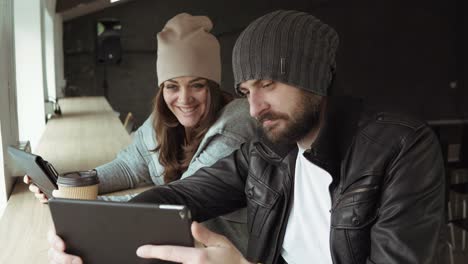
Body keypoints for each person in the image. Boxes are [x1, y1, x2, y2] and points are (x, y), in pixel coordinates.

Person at [48, 10, 446, 264]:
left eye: (268, 84)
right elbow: (181, 195)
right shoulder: (269, 152)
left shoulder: (400, 148)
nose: (254, 108)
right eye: (245, 91)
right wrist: (93, 233)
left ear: (314, 77)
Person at [27, 12, 256, 253]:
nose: (184, 99)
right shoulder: (164, 119)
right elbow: (128, 167)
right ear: (162, 89)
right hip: (173, 245)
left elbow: (181, 201)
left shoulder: (236, 123)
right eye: (172, 86)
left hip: (222, 253)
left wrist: (78, 206)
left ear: (213, 87)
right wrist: (69, 185)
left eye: (197, 85)